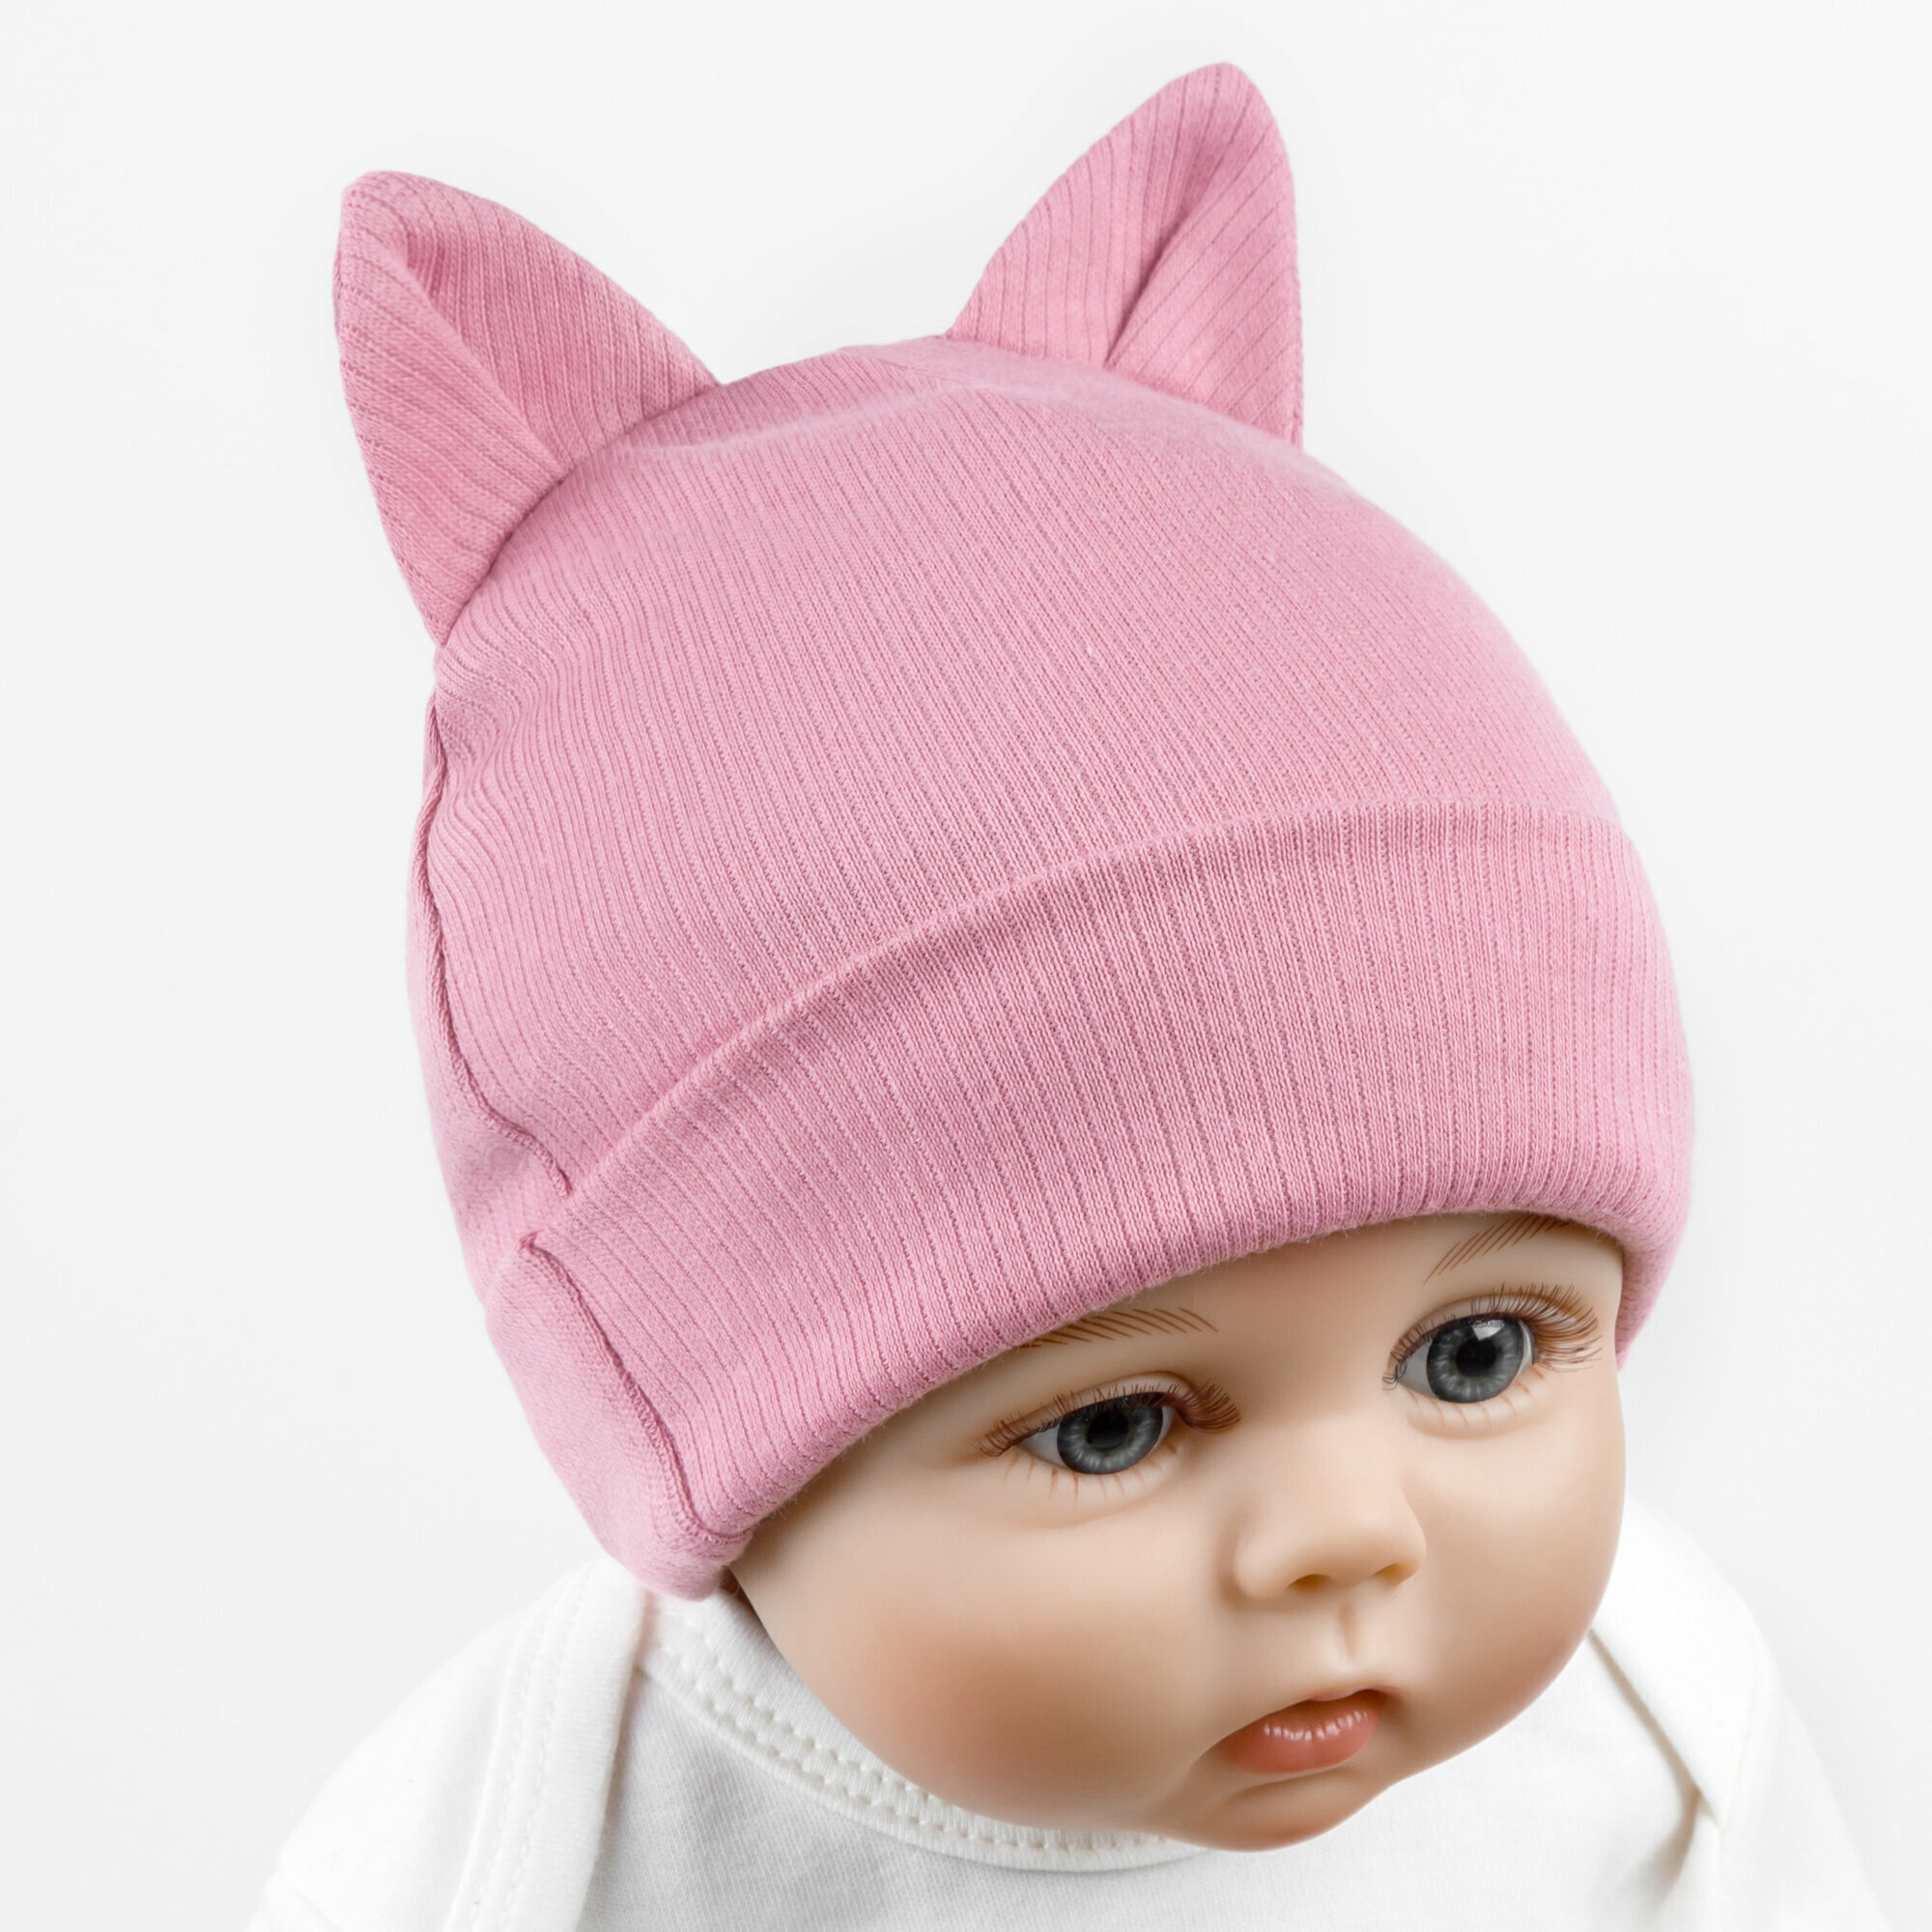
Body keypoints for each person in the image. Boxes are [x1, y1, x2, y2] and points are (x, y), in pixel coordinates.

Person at [253, 63, 1887, 1929]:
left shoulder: (1654, 1746)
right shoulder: (536, 1833)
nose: (1350, 1532)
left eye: (1479, 1354)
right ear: (700, 1449)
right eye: (1113, 1425)